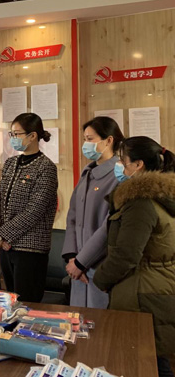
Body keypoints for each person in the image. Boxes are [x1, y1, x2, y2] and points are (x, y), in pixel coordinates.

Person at [94, 137, 175, 377]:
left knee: (144, 361)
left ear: (138, 165)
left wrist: (101, 279)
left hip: (141, 292)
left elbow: (127, 254)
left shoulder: (140, 202)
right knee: (154, 359)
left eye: (123, 160)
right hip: (157, 287)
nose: (119, 165)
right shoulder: (162, 196)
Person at [0, 113, 58, 303]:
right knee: (11, 302)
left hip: (30, 249)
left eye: (17, 134)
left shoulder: (46, 167)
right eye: (11, 134)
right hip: (5, 247)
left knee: (27, 304)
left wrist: (3, 234)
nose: (13, 138)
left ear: (32, 136)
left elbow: (35, 209)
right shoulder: (10, 163)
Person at [62, 117, 124, 308]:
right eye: (85, 139)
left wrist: (81, 262)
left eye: (90, 139)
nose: (86, 144)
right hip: (77, 267)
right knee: (78, 320)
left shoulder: (119, 175)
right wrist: (72, 257)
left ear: (109, 140)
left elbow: (109, 225)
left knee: (100, 321)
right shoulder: (87, 173)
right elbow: (72, 217)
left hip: (99, 265)